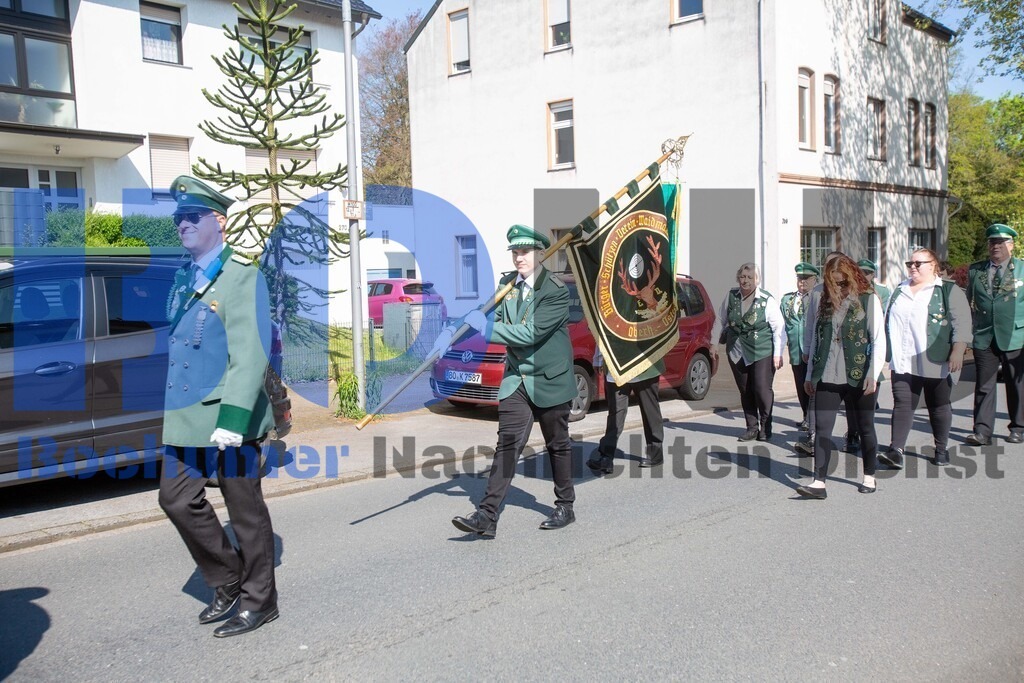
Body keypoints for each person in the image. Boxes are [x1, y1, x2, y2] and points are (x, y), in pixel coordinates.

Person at [158, 176, 279, 638]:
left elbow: (250, 353)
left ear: (219, 222)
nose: (183, 225)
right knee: (175, 498)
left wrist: (232, 420)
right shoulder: (184, 275)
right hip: (189, 414)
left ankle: (260, 600)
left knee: (245, 510)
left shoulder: (243, 277)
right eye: (179, 218)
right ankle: (229, 579)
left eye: (193, 217)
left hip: (233, 417)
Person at [443, 225, 578, 536]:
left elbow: (530, 334)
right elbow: (496, 318)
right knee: (507, 446)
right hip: (517, 379)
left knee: (557, 445)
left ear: (540, 254)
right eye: (515, 252)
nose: (519, 257)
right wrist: (465, 327)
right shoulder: (507, 286)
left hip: (550, 379)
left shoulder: (555, 292)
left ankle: (565, 506)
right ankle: (486, 516)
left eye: (525, 252)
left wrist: (487, 329)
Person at [796, 254, 886, 498]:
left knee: (865, 427)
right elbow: (816, 336)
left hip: (859, 374)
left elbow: (879, 340)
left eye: (843, 283)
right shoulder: (822, 299)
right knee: (823, 429)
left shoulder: (868, 300)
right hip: (827, 373)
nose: (839, 289)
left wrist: (873, 374)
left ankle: (869, 475)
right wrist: (810, 375)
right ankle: (819, 482)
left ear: (853, 279)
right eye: (834, 283)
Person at [881, 248, 971, 468]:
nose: (913, 267)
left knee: (938, 405)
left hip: (935, 358)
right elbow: (887, 322)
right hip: (903, 359)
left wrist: (958, 351)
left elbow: (962, 323)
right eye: (909, 264)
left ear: (933, 265)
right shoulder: (899, 290)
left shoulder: (948, 290)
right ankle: (896, 450)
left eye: (918, 264)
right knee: (902, 404)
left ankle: (941, 449)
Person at [964, 223, 1024, 446]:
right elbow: (968, 302)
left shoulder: (1022, 269)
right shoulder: (976, 270)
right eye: (992, 242)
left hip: (1016, 335)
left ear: (1012, 245)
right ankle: (982, 431)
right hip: (984, 335)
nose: (995, 246)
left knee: (1016, 384)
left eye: (1000, 242)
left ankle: (1018, 427)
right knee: (984, 385)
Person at [712, 263, 785, 441]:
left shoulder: (766, 300)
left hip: (762, 350)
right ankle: (752, 427)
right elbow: (720, 319)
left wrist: (778, 354)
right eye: (742, 277)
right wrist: (713, 343)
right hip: (737, 349)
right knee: (745, 389)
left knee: (761, 388)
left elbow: (779, 328)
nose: (745, 281)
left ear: (757, 280)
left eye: (749, 277)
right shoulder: (731, 296)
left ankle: (766, 425)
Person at [795, 251, 847, 456]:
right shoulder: (817, 292)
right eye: (826, 265)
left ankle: (853, 434)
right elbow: (811, 325)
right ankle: (815, 438)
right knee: (816, 394)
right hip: (821, 354)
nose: (828, 268)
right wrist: (807, 349)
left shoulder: (855, 291)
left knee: (850, 400)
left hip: (846, 355)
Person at [586, 347, 664, 474]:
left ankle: (655, 453)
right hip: (617, 367)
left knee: (650, 411)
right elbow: (604, 331)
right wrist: (598, 359)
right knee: (615, 415)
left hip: (645, 365)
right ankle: (606, 457)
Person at [781, 262, 819, 432]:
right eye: (800, 278)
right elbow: (782, 326)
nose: (802, 281)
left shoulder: (818, 297)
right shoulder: (787, 299)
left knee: (811, 386)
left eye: (806, 278)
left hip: (813, 351)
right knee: (800, 385)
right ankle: (806, 416)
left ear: (815, 279)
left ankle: (813, 419)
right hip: (796, 350)